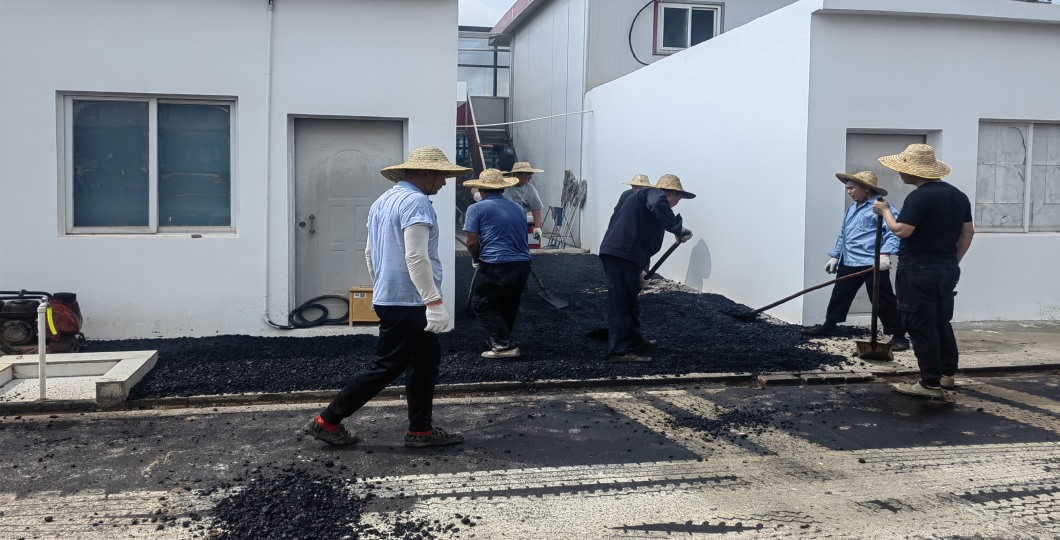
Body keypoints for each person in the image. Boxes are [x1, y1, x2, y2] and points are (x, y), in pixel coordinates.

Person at [304, 146, 470, 447]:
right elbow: (416, 256)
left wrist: (382, 286)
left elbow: (369, 253)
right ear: (427, 173)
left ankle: (420, 431)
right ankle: (327, 420)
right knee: (387, 366)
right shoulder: (417, 202)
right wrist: (433, 301)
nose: (445, 183)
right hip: (410, 301)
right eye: (442, 176)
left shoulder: (382, 201)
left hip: (393, 298)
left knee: (425, 362)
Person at [872, 144, 974, 399]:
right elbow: (968, 232)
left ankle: (930, 383)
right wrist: (954, 260)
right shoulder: (958, 195)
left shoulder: (919, 197)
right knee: (940, 321)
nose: (899, 173)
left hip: (917, 270)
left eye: (902, 169)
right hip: (946, 269)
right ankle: (947, 374)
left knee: (919, 324)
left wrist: (885, 211)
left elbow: (902, 231)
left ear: (915, 171)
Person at [803, 171, 910, 352]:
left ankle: (899, 336)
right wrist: (836, 255)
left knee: (882, 300)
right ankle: (829, 325)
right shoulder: (852, 208)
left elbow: (895, 233)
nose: (849, 192)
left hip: (873, 263)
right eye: (847, 188)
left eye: (852, 188)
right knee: (840, 295)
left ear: (866, 188)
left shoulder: (881, 207)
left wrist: (885, 253)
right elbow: (844, 233)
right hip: (849, 260)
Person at [599, 174, 694, 363]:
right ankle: (618, 351)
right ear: (671, 193)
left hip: (626, 256)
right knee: (621, 301)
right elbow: (659, 205)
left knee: (630, 299)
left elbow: (645, 242)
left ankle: (635, 340)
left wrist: (641, 269)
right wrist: (677, 228)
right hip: (620, 254)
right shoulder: (653, 194)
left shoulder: (648, 208)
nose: (675, 204)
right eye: (678, 198)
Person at [462, 169, 533, 359]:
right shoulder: (518, 208)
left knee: (482, 304)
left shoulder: (475, 209)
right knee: (508, 305)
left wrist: (476, 259)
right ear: (502, 188)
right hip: (523, 264)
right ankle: (501, 341)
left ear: (480, 189)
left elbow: (472, 242)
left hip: (496, 263)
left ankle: (502, 345)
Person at [503, 161, 545, 240]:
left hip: (520, 223)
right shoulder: (504, 187)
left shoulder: (530, 189)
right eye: (524, 178)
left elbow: (536, 208)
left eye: (529, 178)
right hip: (504, 223)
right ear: (515, 175)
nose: (526, 181)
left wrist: (537, 227)